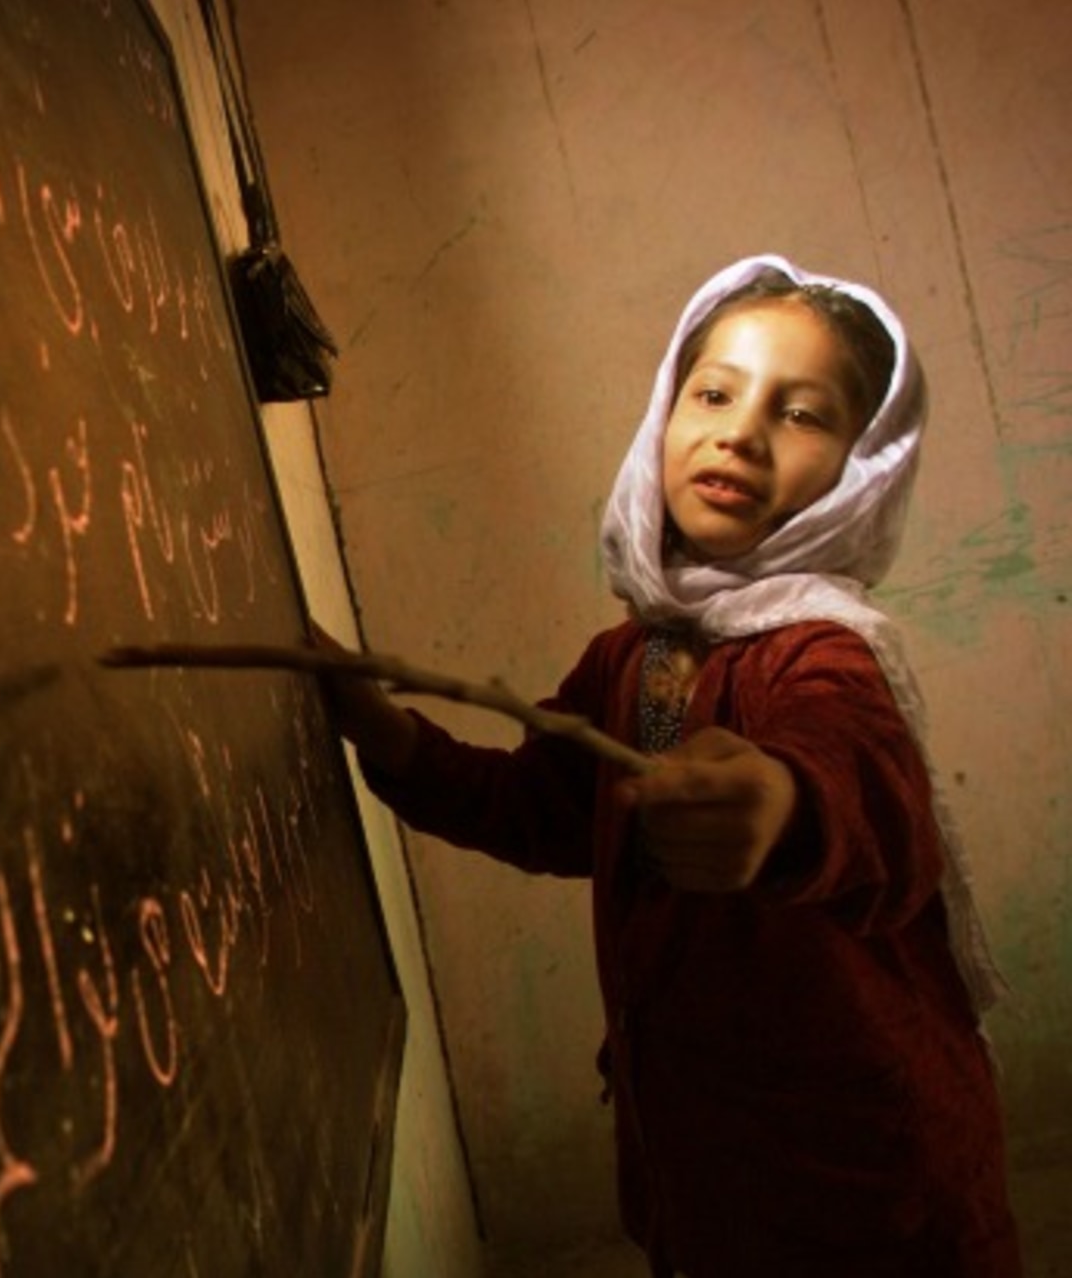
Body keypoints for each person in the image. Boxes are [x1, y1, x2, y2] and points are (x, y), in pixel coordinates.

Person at [317, 254, 1021, 1276]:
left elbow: (856, 780)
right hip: (702, 1167)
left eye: (804, 414)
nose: (740, 429)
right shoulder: (632, 655)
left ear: (861, 470)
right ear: (666, 414)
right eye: (715, 392)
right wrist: (383, 732)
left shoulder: (822, 651)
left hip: (867, 1184)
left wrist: (778, 802)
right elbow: (543, 810)